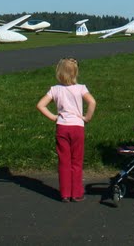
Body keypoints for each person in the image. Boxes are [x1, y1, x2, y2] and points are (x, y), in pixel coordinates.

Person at [36, 57, 97, 202]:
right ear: (75, 73)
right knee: (77, 160)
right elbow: (92, 102)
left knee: (64, 161)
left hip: (62, 127)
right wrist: (87, 118)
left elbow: (40, 105)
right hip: (77, 127)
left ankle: (64, 193)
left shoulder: (54, 89)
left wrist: (53, 117)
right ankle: (76, 193)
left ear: (59, 73)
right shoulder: (81, 88)